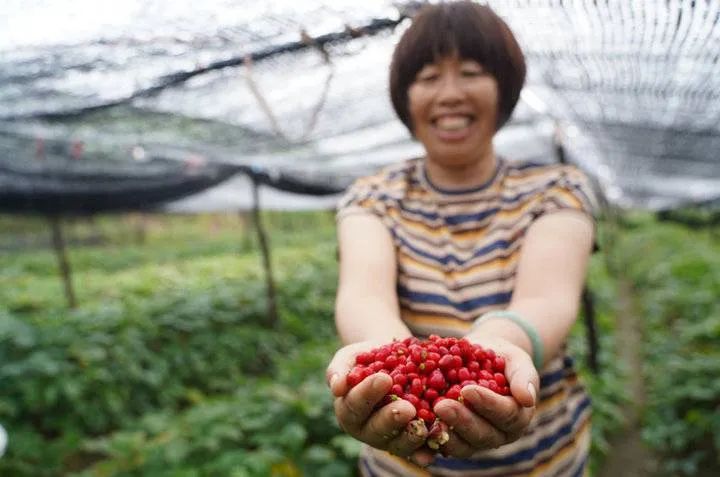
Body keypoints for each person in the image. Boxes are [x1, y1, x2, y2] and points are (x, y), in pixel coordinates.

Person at [325, 2, 597, 476]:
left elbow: (547, 298)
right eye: (428, 78)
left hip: (541, 460)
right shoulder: (374, 197)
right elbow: (362, 295)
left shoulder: (555, 190)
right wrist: (384, 358)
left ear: (504, 89)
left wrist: (497, 346)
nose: (449, 93)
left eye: (470, 72)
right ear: (405, 97)